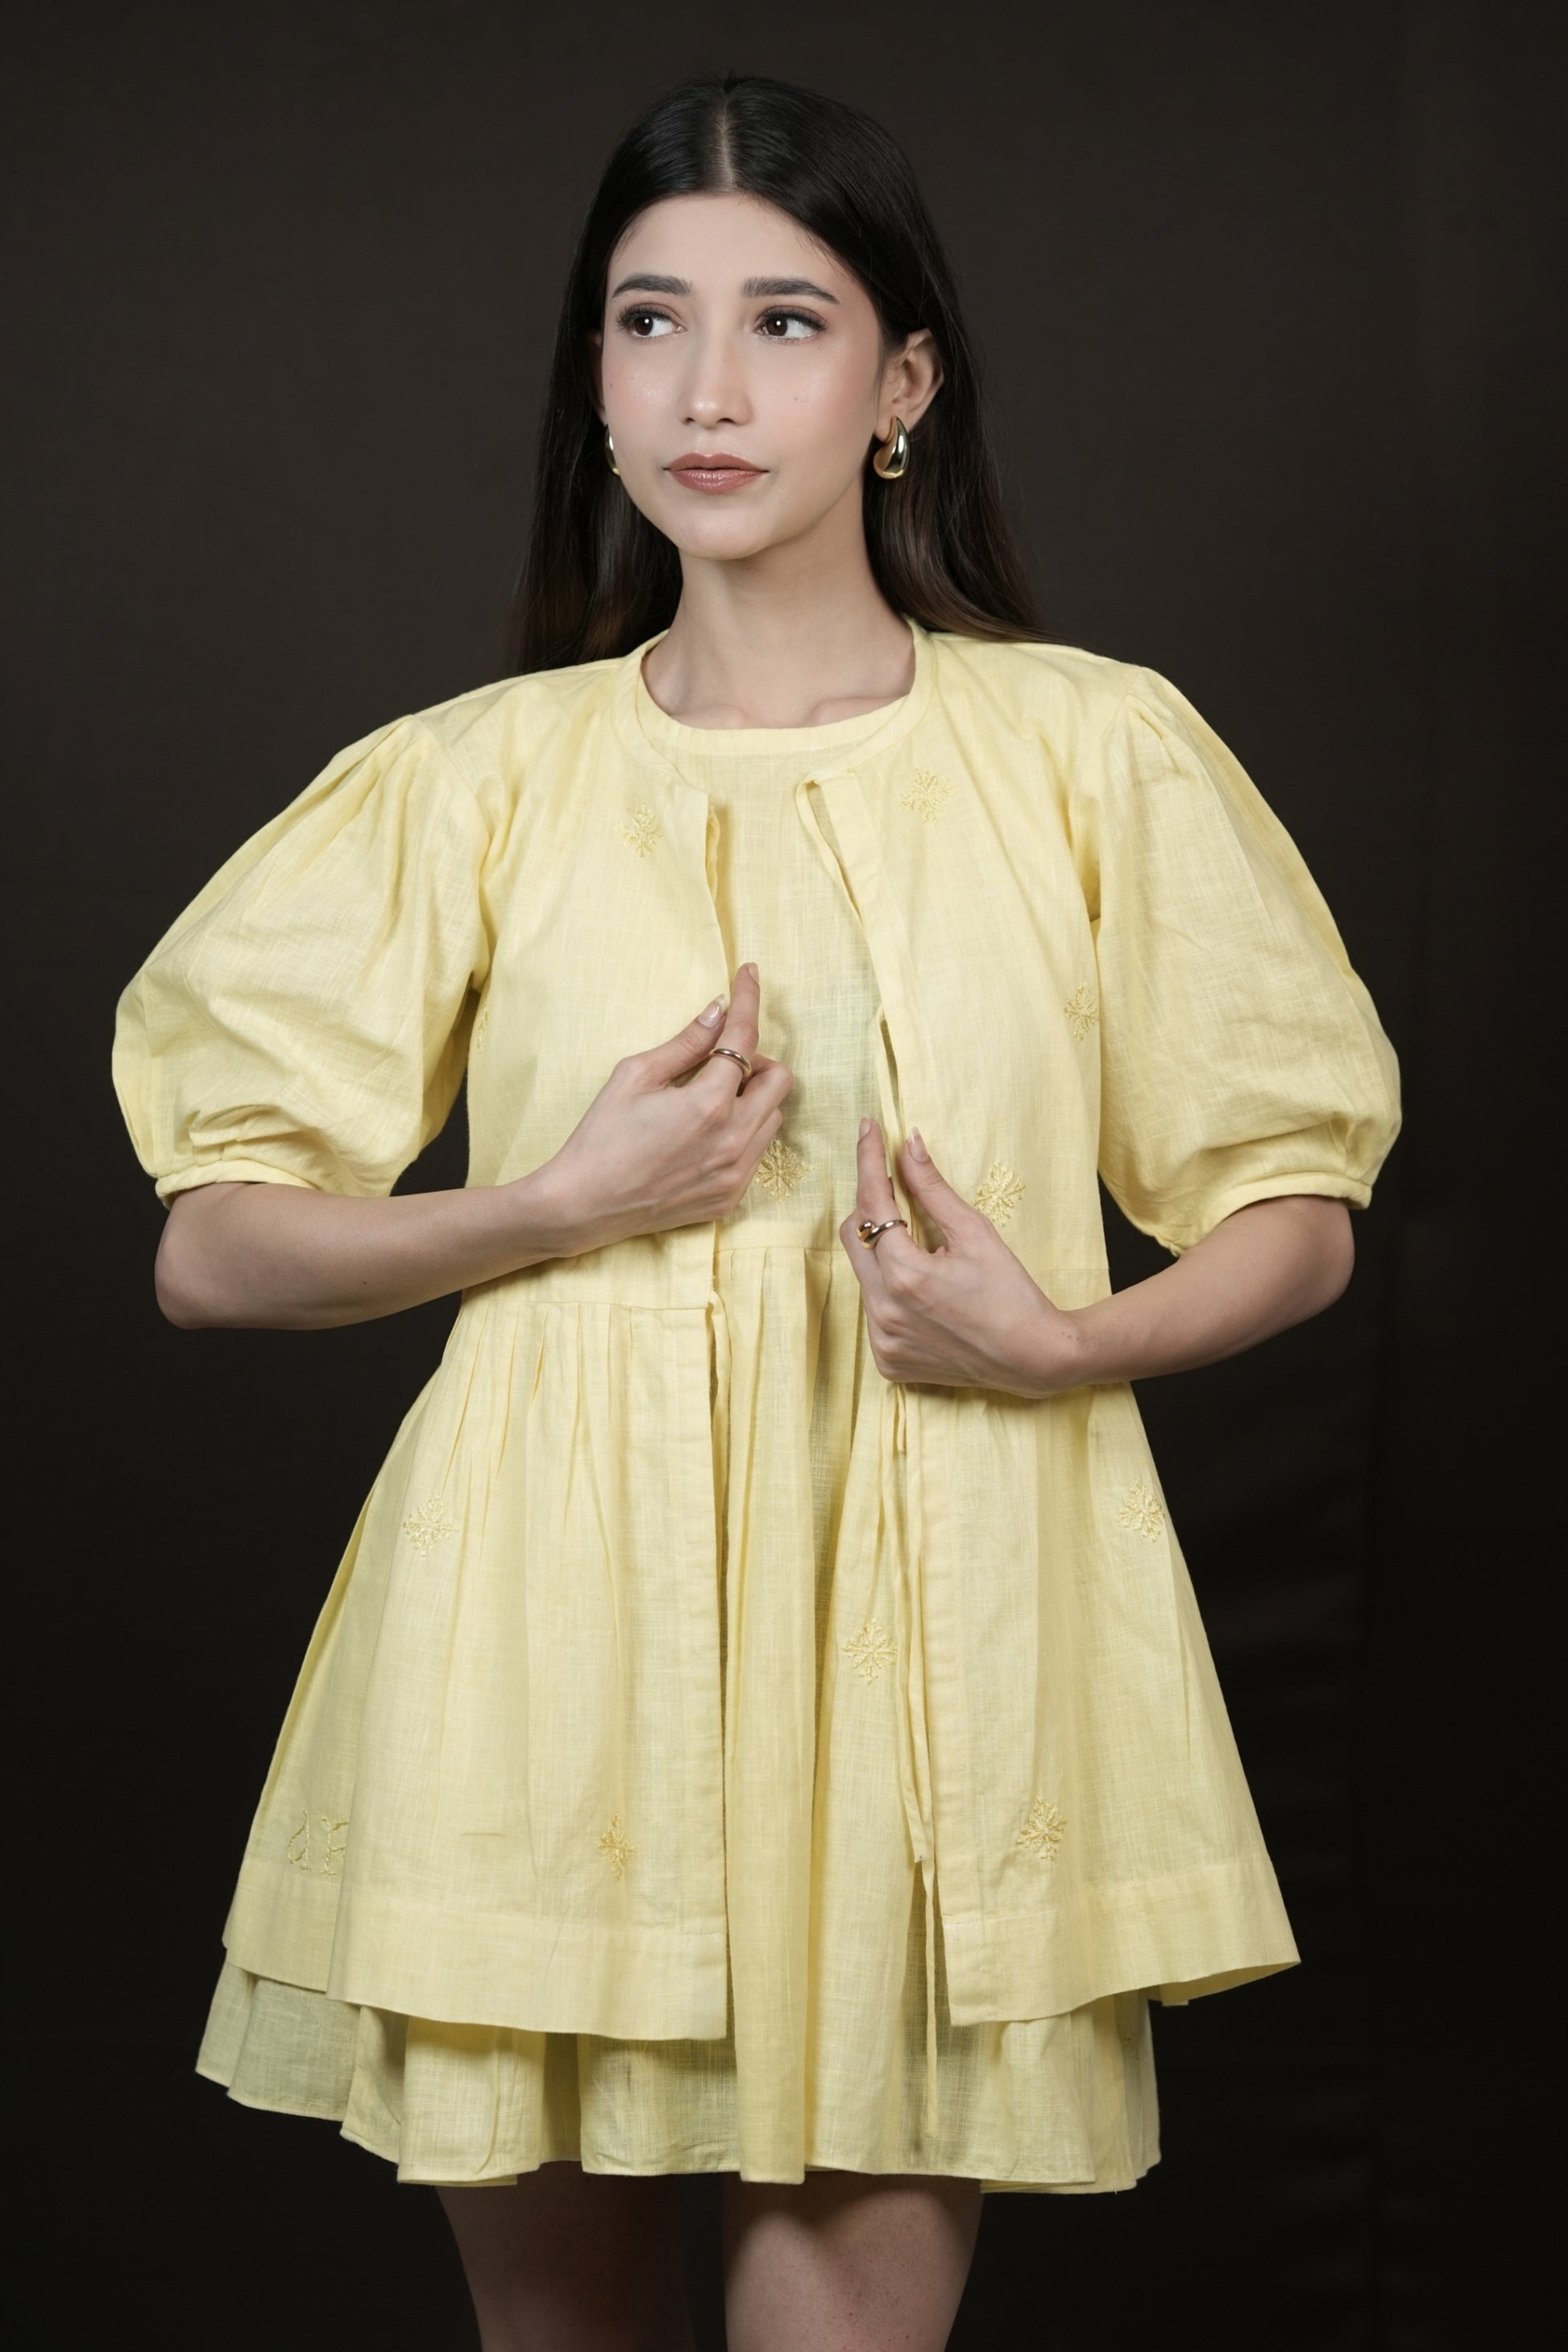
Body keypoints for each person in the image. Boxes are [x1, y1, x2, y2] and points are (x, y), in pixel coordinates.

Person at [112, 71, 1401, 2352]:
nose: (706, 389)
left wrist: (1066, 1342)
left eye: (785, 323)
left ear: (904, 385)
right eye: (649, 321)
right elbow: (210, 1251)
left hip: (942, 1669)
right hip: (540, 1664)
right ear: (594, 379)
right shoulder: (466, 781)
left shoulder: (1094, 750)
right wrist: (554, 1202)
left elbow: (1296, 1197)